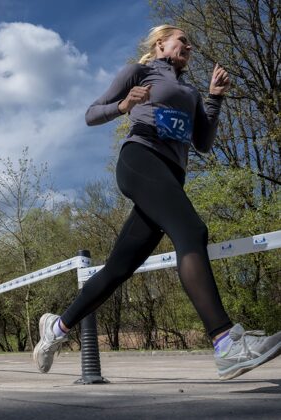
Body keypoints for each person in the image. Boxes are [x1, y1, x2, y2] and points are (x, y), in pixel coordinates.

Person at [33, 25, 281, 380]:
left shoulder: (191, 92)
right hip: (140, 159)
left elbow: (203, 143)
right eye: (183, 40)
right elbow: (91, 114)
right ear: (160, 43)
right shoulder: (140, 71)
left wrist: (215, 98)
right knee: (191, 231)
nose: (189, 46)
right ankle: (225, 342)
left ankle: (57, 328)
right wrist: (124, 105)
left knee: (118, 268)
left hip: (170, 175)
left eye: (190, 44)